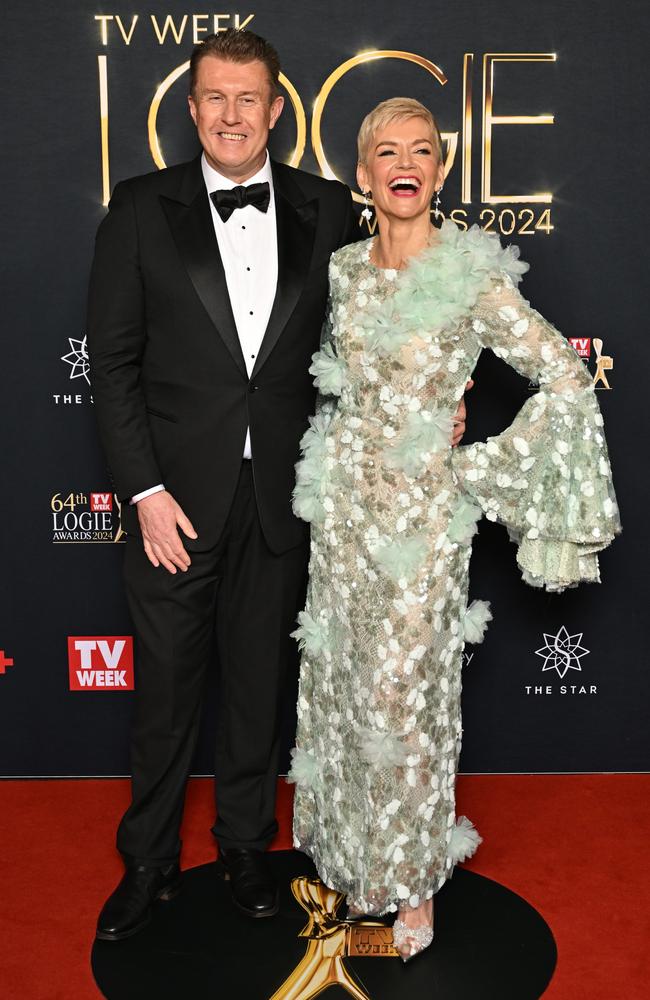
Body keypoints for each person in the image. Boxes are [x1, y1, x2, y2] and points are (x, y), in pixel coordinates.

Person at [87, 30, 469, 940]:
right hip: (174, 503)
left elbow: (401, 309)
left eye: (247, 98)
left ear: (274, 109)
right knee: (167, 693)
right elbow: (114, 366)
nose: (229, 114)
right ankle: (146, 863)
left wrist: (437, 406)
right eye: (213, 98)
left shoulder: (330, 209)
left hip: (290, 498)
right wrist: (144, 494)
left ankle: (247, 848)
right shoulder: (140, 210)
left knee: (258, 687)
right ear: (191, 109)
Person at [287, 97, 621, 961]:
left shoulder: (472, 272)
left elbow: (565, 377)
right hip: (345, 514)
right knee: (347, 689)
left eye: (422, 151)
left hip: (423, 525)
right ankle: (355, 868)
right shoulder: (346, 270)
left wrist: (475, 464)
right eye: (385, 151)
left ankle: (413, 893)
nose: (405, 163)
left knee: (406, 701)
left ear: (439, 170)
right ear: (362, 176)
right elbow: (346, 384)